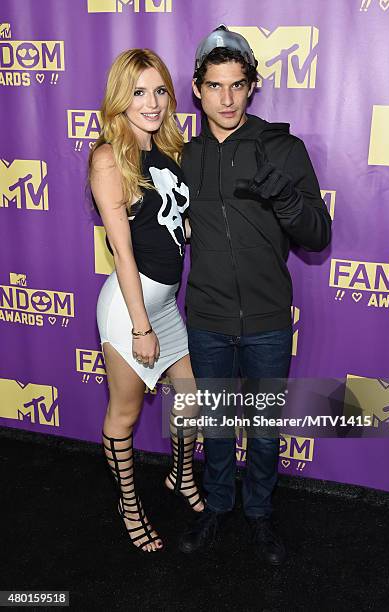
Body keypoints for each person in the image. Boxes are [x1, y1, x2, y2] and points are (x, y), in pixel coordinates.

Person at [179, 26, 332, 565]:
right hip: (207, 317)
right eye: (214, 85)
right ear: (197, 89)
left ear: (252, 87)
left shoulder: (281, 148)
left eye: (237, 85)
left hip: (267, 319)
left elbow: (318, 234)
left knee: (264, 432)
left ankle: (261, 516)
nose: (226, 98)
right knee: (218, 427)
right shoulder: (184, 155)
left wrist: (285, 197)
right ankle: (219, 508)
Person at [89, 48, 203, 554]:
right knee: (127, 415)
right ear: (120, 98)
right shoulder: (109, 157)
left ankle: (180, 478)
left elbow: (175, 225)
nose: (152, 102)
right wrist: (140, 326)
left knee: (192, 402)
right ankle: (129, 506)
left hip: (165, 303)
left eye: (159, 91)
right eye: (139, 92)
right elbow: (124, 251)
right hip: (130, 306)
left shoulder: (170, 153)